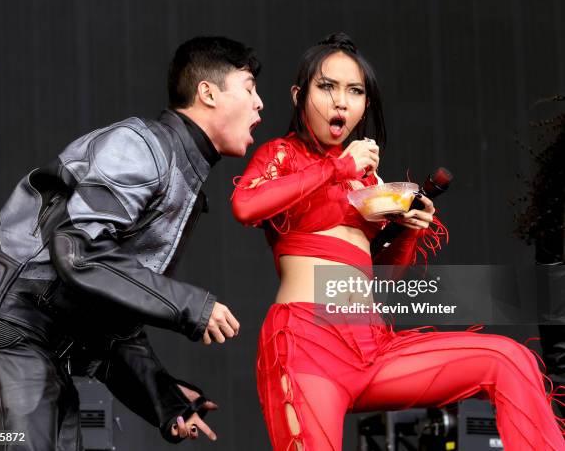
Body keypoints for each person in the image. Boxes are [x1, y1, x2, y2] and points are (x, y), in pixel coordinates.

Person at [231, 32, 564, 451]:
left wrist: (409, 227)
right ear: (299, 95)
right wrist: (337, 169)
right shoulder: (285, 153)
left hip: (371, 344)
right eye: (327, 87)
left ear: (365, 104)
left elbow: (386, 276)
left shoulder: (368, 180)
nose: (341, 102)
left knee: (508, 359)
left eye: (355, 91)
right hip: (306, 343)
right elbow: (245, 205)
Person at [0, 36, 263, 450]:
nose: (260, 103)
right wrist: (191, 305)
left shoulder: (181, 178)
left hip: (33, 351)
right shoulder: (142, 147)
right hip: (2, 336)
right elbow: (77, 254)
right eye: (249, 87)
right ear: (208, 92)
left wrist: (165, 400)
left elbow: (111, 320)